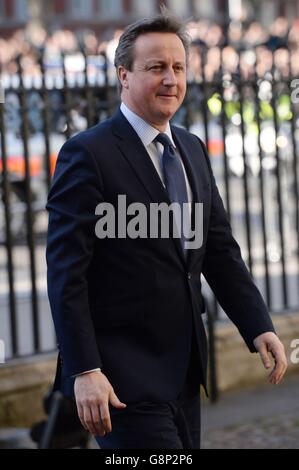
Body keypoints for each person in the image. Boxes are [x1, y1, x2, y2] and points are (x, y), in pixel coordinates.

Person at [46, 12, 288, 450]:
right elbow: (66, 275)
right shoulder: (88, 154)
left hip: (183, 372)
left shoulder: (192, 149)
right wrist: (84, 371)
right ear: (124, 75)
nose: (171, 79)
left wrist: (257, 325)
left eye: (178, 67)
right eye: (156, 67)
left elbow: (217, 250)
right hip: (120, 380)